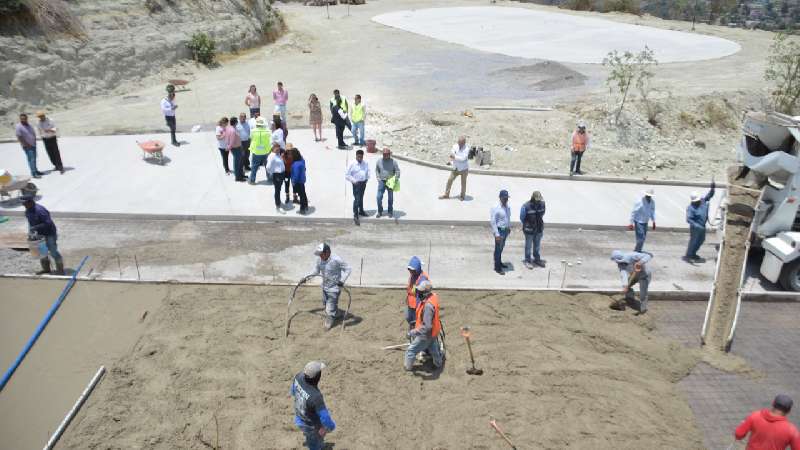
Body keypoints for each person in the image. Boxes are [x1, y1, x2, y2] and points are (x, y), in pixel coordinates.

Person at [291, 361, 336, 450]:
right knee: (314, 441)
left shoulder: (298, 376)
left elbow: (293, 391)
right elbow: (325, 418)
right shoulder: (316, 397)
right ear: (317, 377)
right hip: (311, 424)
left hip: (299, 418)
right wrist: (331, 427)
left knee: (308, 434)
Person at [307, 243, 352, 330]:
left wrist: (342, 281)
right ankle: (336, 313)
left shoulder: (336, 260)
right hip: (325, 287)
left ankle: (330, 320)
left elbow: (348, 269)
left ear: (327, 252)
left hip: (334, 288)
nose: (320, 256)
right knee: (325, 303)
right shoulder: (319, 260)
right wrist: (307, 277)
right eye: (319, 254)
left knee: (329, 307)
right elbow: (316, 271)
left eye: (321, 254)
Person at [404, 280, 444, 371]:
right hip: (434, 331)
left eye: (420, 292)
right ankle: (438, 363)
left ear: (426, 293)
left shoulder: (428, 306)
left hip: (426, 334)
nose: (418, 294)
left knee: (410, 351)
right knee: (433, 349)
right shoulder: (433, 297)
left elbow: (427, 327)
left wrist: (412, 332)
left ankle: (407, 367)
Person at [735, 394, 800, 450]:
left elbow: (738, 435)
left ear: (773, 404)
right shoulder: (792, 430)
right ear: (788, 411)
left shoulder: (755, 416)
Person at [22, 196, 64, 275]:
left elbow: (48, 223)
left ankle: (60, 270)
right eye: (23, 204)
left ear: (31, 202)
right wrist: (30, 233)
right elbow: (30, 223)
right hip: (40, 234)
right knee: (42, 252)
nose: (24, 206)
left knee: (53, 252)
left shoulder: (40, 210)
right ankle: (46, 269)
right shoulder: (28, 211)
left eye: (25, 204)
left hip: (49, 234)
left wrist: (35, 227)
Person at [609, 250, 652, 315]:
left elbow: (648, 256)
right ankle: (630, 299)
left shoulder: (632, 255)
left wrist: (640, 262)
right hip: (634, 275)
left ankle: (643, 310)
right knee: (627, 288)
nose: (618, 263)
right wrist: (625, 286)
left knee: (643, 293)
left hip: (644, 275)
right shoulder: (620, 264)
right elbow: (623, 274)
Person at [684, 180, 716, 263]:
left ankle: (693, 253)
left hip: (703, 226)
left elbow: (709, 196)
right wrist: (697, 226)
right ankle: (689, 255)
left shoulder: (702, 201)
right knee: (694, 241)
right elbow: (689, 219)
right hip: (696, 227)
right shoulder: (691, 208)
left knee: (701, 240)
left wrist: (712, 188)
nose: (698, 201)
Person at [520, 191, 546, 269]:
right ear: (533, 198)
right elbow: (522, 218)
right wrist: (528, 224)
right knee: (528, 246)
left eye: (539, 199)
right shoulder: (526, 206)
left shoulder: (542, 204)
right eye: (537, 199)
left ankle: (536, 259)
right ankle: (527, 261)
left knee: (537, 246)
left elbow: (542, 213)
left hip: (539, 229)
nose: (538, 201)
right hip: (529, 230)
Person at [345, 149, 370, 226]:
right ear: (356, 156)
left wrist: (366, 179)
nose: (360, 158)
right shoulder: (352, 164)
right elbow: (347, 175)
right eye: (358, 157)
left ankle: (361, 211)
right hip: (356, 184)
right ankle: (356, 215)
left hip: (363, 183)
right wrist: (354, 181)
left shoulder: (365, 163)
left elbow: (368, 171)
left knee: (361, 197)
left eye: (361, 157)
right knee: (357, 199)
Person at [405, 256, 430, 331]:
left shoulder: (423, 278)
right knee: (409, 318)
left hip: (418, 305)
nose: (411, 271)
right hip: (410, 304)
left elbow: (425, 291)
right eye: (410, 270)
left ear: (417, 269)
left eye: (412, 270)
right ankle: (412, 332)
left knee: (417, 322)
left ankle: (416, 336)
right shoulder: (413, 275)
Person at [491, 190, 512, 275]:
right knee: (498, 250)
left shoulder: (507, 207)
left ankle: (499, 262)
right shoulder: (496, 207)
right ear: (500, 198)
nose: (506, 200)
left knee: (501, 248)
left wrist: (508, 227)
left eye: (507, 198)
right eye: (504, 198)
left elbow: (507, 218)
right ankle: (497, 267)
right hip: (499, 231)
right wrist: (496, 234)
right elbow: (493, 222)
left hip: (505, 231)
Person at [15, 113, 42, 178]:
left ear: (27, 118)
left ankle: (36, 171)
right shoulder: (18, 126)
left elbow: (33, 133)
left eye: (25, 118)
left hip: (33, 145)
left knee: (34, 158)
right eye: (22, 119)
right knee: (31, 159)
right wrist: (26, 144)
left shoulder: (29, 125)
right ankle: (34, 173)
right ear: (20, 119)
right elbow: (19, 137)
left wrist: (34, 141)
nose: (23, 119)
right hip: (27, 146)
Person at [375, 148, 400, 218]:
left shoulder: (394, 162)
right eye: (384, 154)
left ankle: (390, 211)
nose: (385, 156)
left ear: (389, 154)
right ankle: (380, 211)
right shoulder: (379, 161)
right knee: (378, 197)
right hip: (382, 181)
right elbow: (377, 170)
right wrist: (378, 178)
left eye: (386, 154)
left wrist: (395, 179)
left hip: (390, 181)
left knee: (390, 198)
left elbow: (397, 171)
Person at [248, 117, 271, 185]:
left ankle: (252, 180)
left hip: (256, 151)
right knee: (267, 166)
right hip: (265, 151)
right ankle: (270, 178)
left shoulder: (253, 131)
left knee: (254, 167)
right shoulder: (267, 131)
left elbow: (251, 138)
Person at [266, 143, 286, 213]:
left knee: (279, 189)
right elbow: (268, 167)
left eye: (279, 149)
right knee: (277, 191)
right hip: (277, 175)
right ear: (273, 148)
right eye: (276, 149)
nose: (278, 150)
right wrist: (272, 173)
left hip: (281, 174)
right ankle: (278, 206)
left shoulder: (278, 155)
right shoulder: (272, 156)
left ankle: (279, 202)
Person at [226, 116, 245, 182]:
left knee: (239, 162)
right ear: (235, 122)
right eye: (237, 121)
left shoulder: (230, 128)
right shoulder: (233, 130)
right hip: (235, 148)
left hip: (237, 147)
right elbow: (231, 140)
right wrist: (229, 147)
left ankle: (241, 174)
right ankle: (238, 177)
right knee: (237, 163)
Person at [291, 148, 308, 214]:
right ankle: (306, 205)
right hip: (302, 179)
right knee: (303, 193)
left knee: (301, 195)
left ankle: (302, 208)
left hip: (298, 181)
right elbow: (305, 168)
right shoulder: (302, 160)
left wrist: (293, 181)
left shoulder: (296, 164)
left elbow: (296, 175)